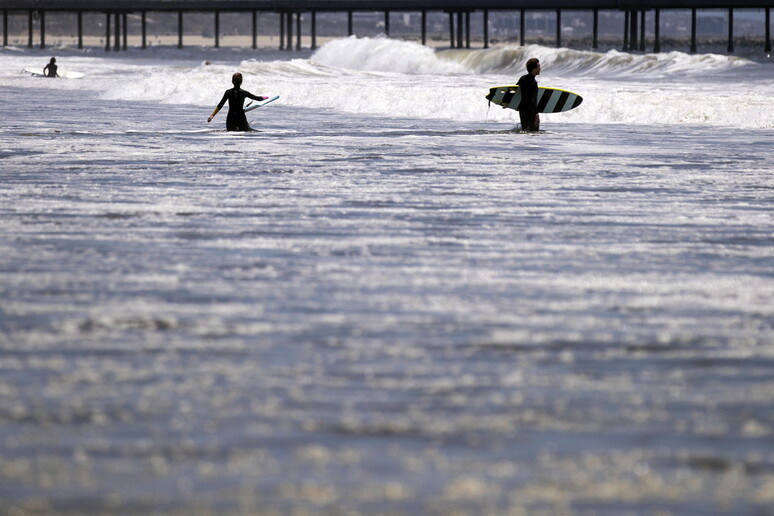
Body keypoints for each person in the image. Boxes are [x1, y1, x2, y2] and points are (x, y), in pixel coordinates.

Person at [516, 58, 541, 132]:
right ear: (534, 68)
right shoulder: (533, 83)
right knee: (534, 132)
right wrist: (536, 114)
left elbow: (516, 91)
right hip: (531, 111)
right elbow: (532, 99)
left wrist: (513, 104)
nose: (540, 69)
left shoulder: (523, 78)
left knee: (525, 131)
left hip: (522, 109)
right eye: (539, 67)